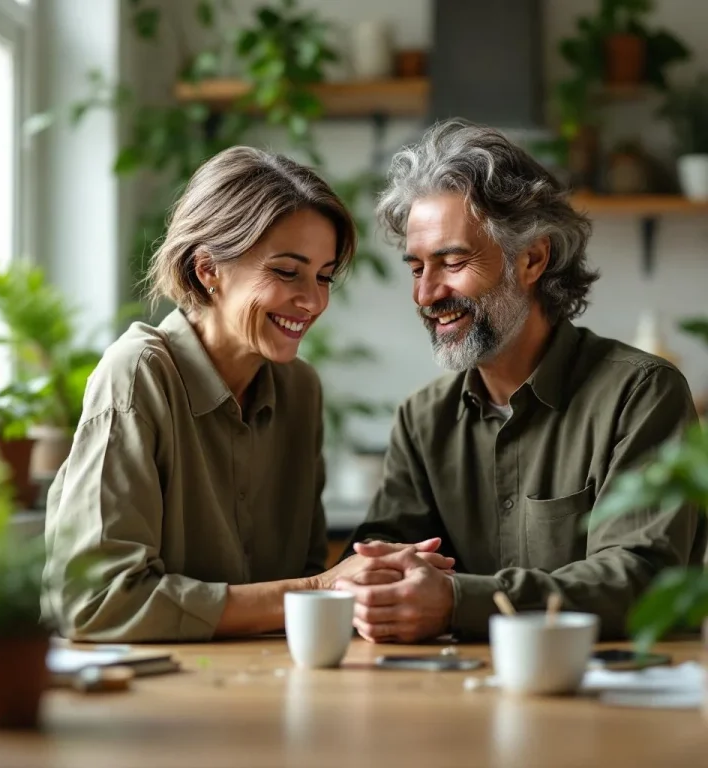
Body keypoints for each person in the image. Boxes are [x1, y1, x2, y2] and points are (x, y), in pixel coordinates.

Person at [42, 146, 455, 642]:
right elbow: (94, 602)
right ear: (207, 269)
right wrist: (321, 587)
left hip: (267, 684)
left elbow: (294, 581)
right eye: (287, 271)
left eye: (324, 276)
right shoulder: (137, 375)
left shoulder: (300, 391)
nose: (314, 300)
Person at [336, 120, 707, 643]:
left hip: (615, 705)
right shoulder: (423, 419)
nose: (426, 294)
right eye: (417, 267)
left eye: (453, 261)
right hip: (453, 700)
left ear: (532, 258)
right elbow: (384, 561)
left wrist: (458, 602)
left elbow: (640, 579)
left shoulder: (641, 395)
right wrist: (377, 586)